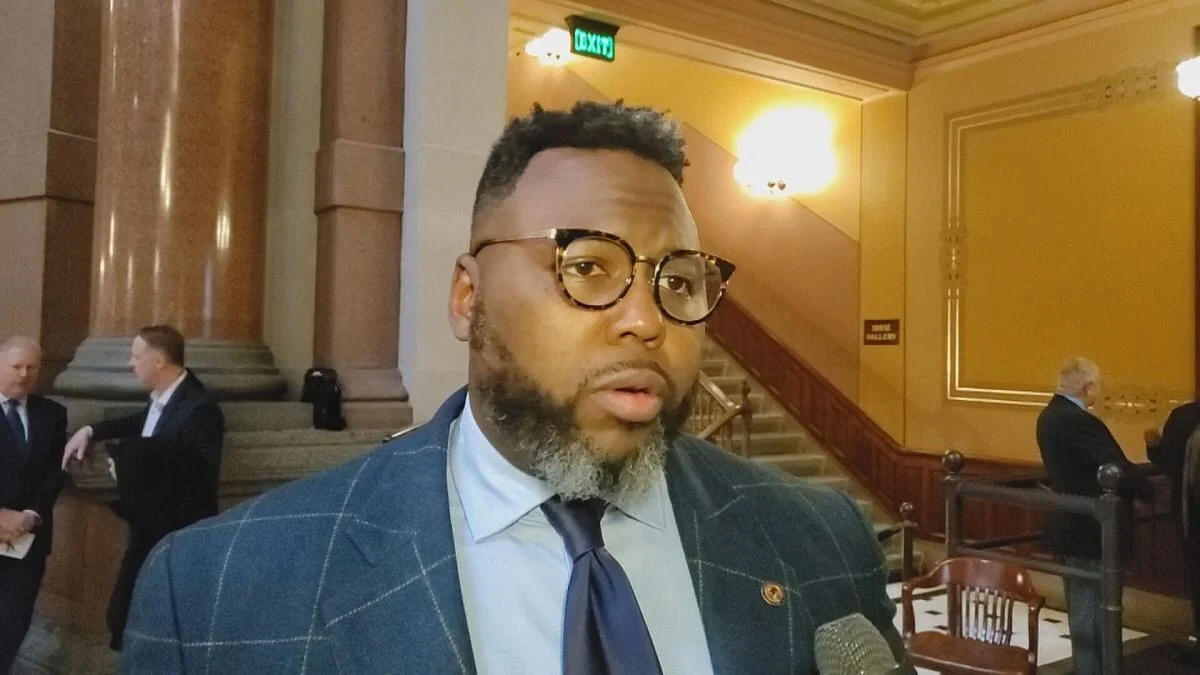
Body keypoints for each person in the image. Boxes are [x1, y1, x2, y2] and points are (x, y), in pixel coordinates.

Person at [119, 102, 899, 673]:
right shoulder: (218, 591)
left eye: (678, 280)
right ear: (469, 297)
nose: (646, 320)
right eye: (587, 265)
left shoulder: (821, 540)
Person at [61, 325, 223, 651]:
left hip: (175, 532)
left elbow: (193, 468)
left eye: (136, 357)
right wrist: (91, 429)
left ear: (159, 360)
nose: (131, 363)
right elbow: (142, 424)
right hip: (149, 523)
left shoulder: (200, 407)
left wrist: (124, 463)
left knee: (151, 620)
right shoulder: (170, 395)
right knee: (124, 615)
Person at [1036, 357, 1154, 675]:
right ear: (1088, 386)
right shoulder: (1077, 420)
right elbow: (1114, 466)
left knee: (1083, 608)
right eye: (1097, 386)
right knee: (1095, 610)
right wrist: (1146, 489)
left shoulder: (1049, 416)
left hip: (1071, 523)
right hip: (1091, 529)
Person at [0, 337, 66, 673]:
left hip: (29, 538)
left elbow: (55, 473)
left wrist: (30, 515)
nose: (24, 374)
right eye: (16, 366)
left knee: (14, 618)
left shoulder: (52, 414)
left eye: (32, 367)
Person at [1146, 400, 1200, 666]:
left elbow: (1165, 462)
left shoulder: (1183, 416)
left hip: (1192, 518)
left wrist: (1154, 445)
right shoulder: (1184, 417)